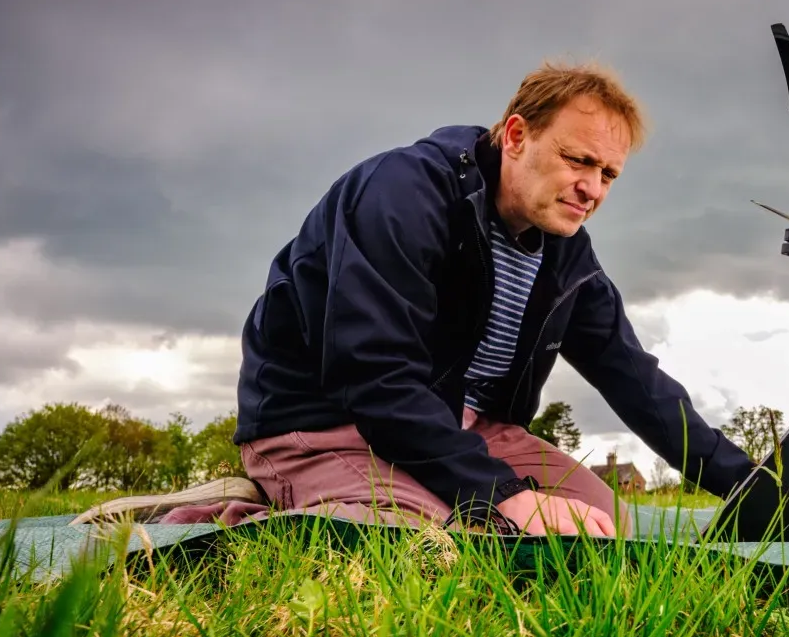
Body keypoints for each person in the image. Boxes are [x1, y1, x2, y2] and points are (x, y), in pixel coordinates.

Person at [227, 61, 756, 537]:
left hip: (464, 428)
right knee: (421, 543)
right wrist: (504, 495)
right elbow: (374, 378)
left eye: (608, 174)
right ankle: (256, 497)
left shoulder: (566, 253)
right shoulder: (403, 195)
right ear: (517, 136)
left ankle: (418, 495)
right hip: (325, 422)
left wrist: (755, 486)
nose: (592, 188)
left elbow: (637, 381)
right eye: (578, 160)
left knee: (601, 529)